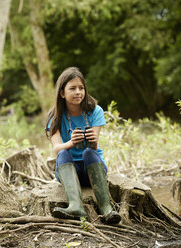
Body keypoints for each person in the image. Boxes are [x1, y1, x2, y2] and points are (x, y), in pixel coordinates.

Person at [45, 67, 121, 224]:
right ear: (62, 93)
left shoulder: (95, 111)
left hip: (92, 170)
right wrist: (71, 143)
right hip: (69, 173)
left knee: (88, 153)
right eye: (72, 88)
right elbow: (56, 148)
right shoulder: (54, 116)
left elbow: (93, 149)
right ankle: (75, 205)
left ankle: (106, 208)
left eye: (81, 88)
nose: (78, 92)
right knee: (63, 153)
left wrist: (93, 141)